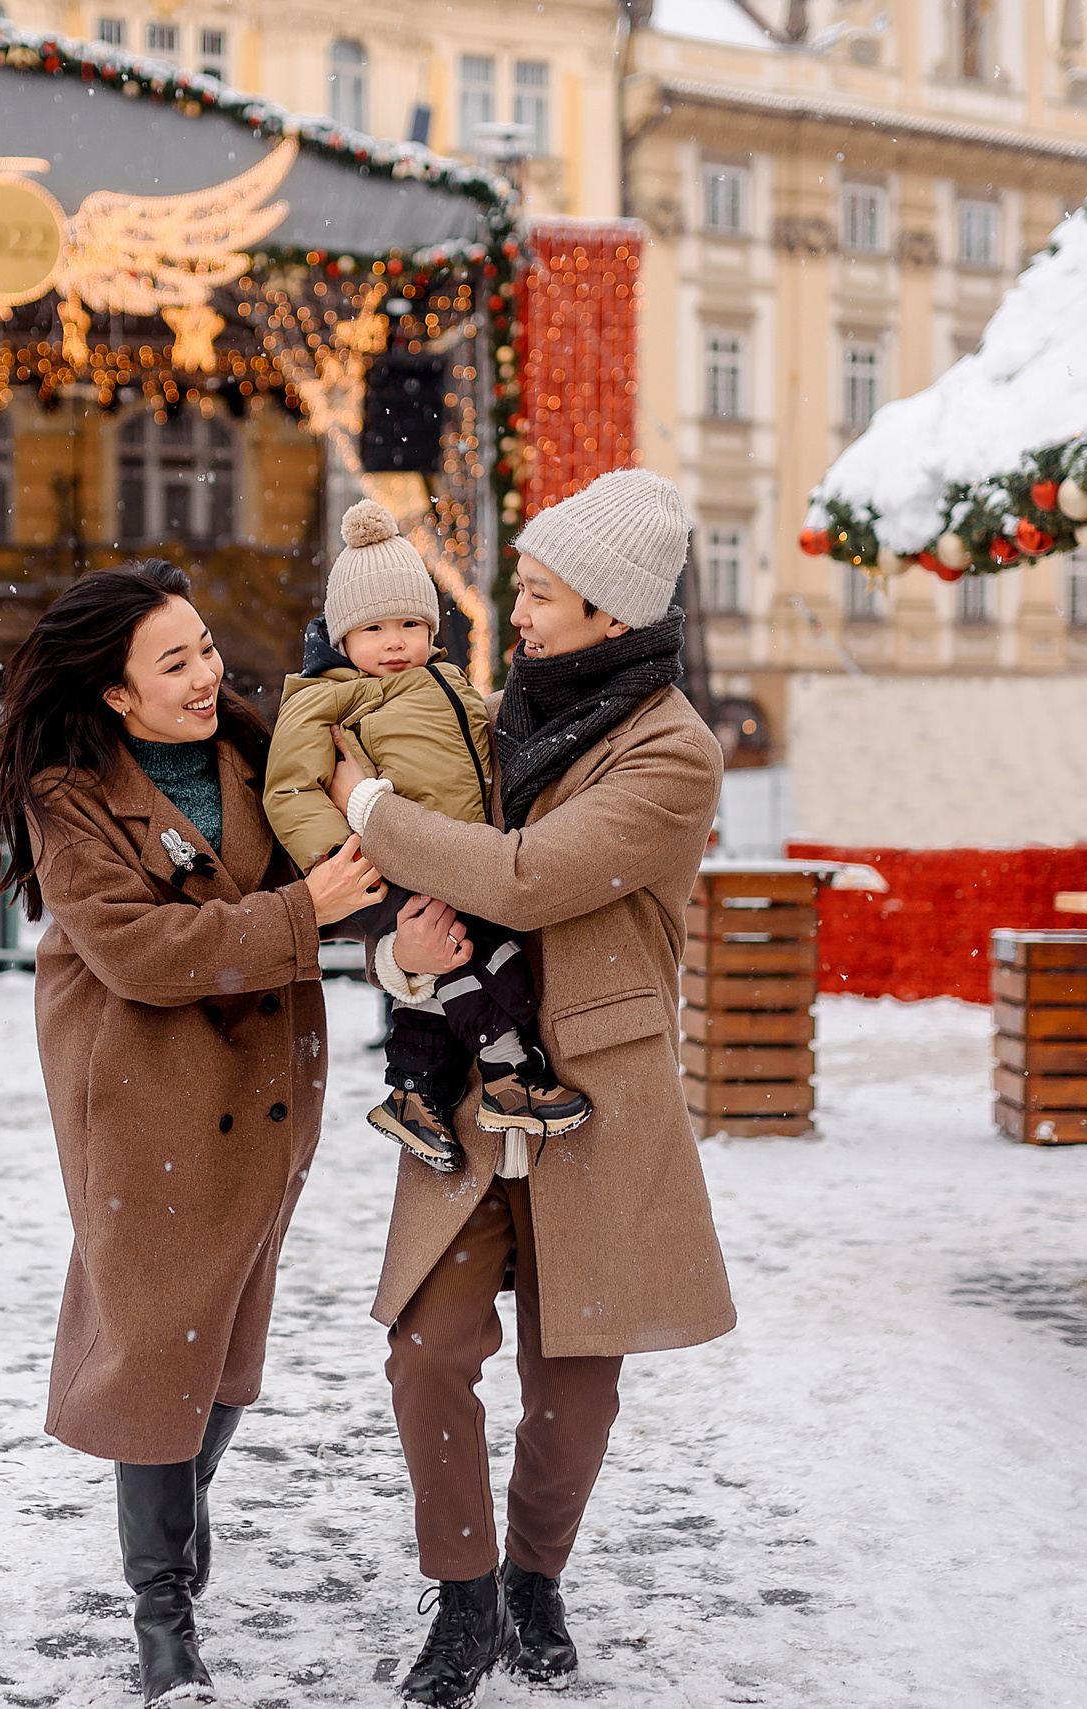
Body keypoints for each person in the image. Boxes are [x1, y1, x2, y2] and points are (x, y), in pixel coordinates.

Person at [326, 468, 735, 1705]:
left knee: (575, 1376)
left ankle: (534, 1577)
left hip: (590, 1099)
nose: (520, 614)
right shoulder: (493, 715)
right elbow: (421, 899)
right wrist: (399, 959)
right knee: (426, 1349)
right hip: (465, 1079)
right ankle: (461, 1592)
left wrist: (364, 798)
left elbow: (520, 875)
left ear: (610, 611)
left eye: (544, 595)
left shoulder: (673, 752)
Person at [0, 560, 385, 1708]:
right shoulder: (69, 794)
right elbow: (136, 951)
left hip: (262, 1088)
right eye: (175, 661)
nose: (208, 673)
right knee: (159, 1341)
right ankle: (162, 1610)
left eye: (206, 647)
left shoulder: (262, 752)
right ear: (116, 693)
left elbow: (353, 848)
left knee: (223, 1351)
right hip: (141, 1093)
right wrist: (302, 914)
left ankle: (177, 1494)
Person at [263, 499, 589, 1175]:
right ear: (342, 637)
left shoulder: (444, 679)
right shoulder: (327, 696)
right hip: (383, 861)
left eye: (411, 623)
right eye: (375, 627)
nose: (396, 641)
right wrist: (340, 859)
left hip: (450, 853)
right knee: (466, 957)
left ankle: (415, 1091)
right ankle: (507, 1076)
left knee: (466, 958)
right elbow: (289, 788)